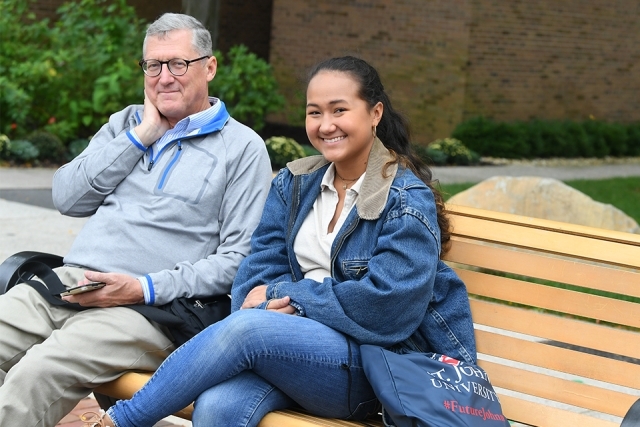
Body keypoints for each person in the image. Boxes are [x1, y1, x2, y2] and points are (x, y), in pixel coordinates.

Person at [82, 55, 476, 427]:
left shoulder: (404, 199)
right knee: (218, 407)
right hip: (288, 351)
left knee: (247, 330)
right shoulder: (294, 184)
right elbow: (253, 277)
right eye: (314, 112)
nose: (326, 124)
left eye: (340, 110)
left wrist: (296, 300)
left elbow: (386, 308)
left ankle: (123, 420)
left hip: (375, 368)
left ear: (374, 114)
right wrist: (276, 302)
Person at [0, 13, 272, 427]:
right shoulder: (125, 125)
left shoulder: (242, 149)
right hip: (72, 284)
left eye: (178, 63)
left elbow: (237, 260)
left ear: (209, 67)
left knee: (37, 373)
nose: (164, 77)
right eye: (154, 65)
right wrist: (140, 136)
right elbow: (66, 197)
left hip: (148, 311)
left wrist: (142, 287)